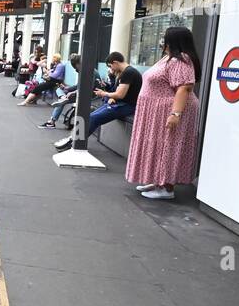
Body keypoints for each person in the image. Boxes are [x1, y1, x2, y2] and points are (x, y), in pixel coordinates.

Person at [126, 26, 202, 200]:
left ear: (173, 40)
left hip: (169, 109)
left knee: (168, 145)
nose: (162, 40)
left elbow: (184, 87)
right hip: (156, 110)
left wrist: (176, 114)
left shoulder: (181, 60)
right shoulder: (169, 58)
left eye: (165, 37)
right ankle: (159, 181)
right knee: (158, 145)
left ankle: (167, 188)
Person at [83, 51, 143, 138]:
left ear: (115, 63)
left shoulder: (128, 72)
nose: (111, 69)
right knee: (91, 116)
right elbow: (118, 92)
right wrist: (108, 91)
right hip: (121, 104)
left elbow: (120, 95)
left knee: (94, 118)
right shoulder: (126, 72)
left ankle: (78, 141)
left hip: (126, 106)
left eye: (111, 66)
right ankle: (76, 139)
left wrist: (103, 93)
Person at [40, 54, 80, 128]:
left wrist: (74, 92)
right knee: (59, 90)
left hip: (85, 95)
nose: (75, 69)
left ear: (78, 64)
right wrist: (66, 88)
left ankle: (52, 122)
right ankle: (62, 97)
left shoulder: (87, 73)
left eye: (74, 66)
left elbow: (88, 89)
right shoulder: (83, 71)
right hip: (80, 92)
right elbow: (78, 86)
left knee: (60, 102)